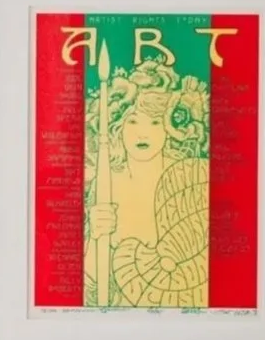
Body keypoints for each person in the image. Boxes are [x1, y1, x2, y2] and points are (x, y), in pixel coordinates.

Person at [84, 59, 210, 308]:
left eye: (154, 122)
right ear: (117, 126)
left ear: (169, 127)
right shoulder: (106, 182)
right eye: (132, 121)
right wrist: (96, 237)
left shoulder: (190, 178)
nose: (143, 133)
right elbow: (92, 286)